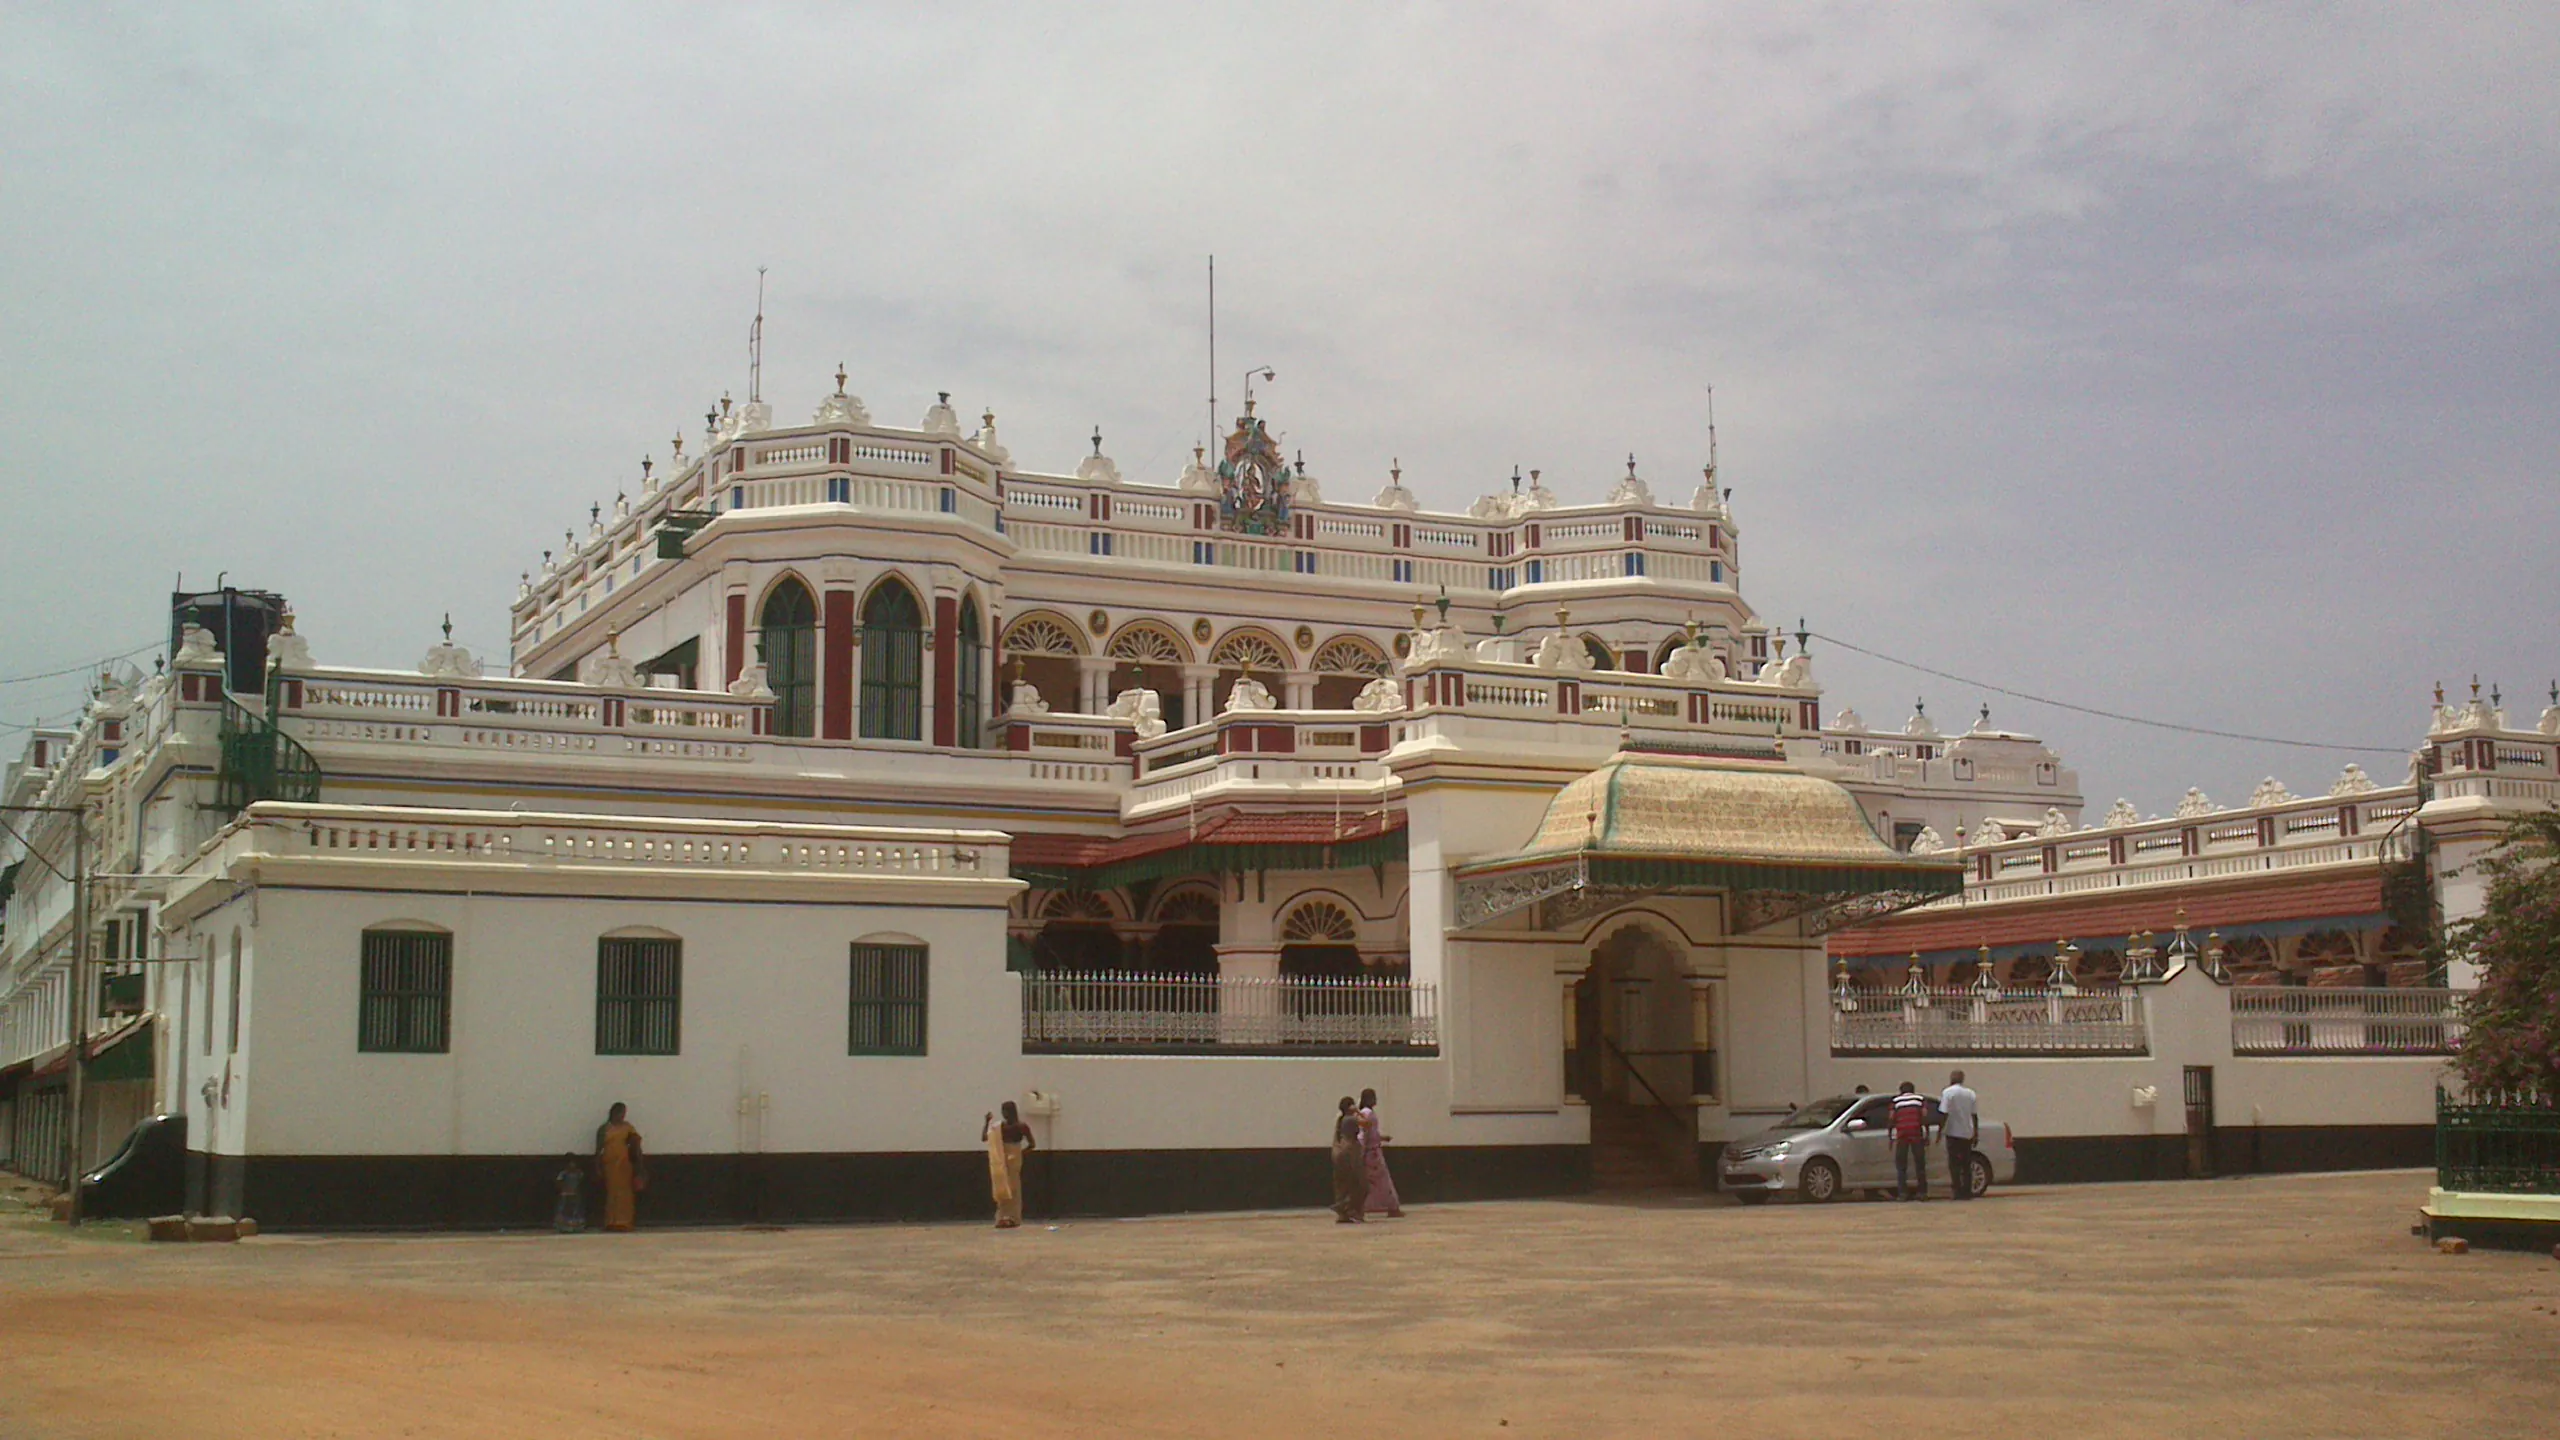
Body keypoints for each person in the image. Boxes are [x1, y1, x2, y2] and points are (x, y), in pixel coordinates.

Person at [984, 1101, 1036, 1228]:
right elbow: (985, 1138)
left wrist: (1019, 1153)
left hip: (1015, 1157)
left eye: (1006, 1111)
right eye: (1003, 1111)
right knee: (1001, 1186)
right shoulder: (999, 1127)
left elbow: (1032, 1144)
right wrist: (987, 1123)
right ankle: (1002, 1216)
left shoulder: (1021, 1126)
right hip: (1001, 1157)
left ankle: (1013, 1217)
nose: (1004, 1114)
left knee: (1013, 1186)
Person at [594, 1102, 645, 1232]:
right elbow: (599, 1149)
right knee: (612, 1194)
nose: (622, 1116)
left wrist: (639, 1165)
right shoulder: (604, 1129)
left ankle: (625, 1222)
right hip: (609, 1164)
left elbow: (636, 1145)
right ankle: (611, 1222)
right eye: (620, 1113)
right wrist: (597, 1166)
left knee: (625, 1194)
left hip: (624, 1164)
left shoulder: (628, 1128)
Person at [1357, 1087, 1403, 1219]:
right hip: (1372, 1154)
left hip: (1370, 1151)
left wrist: (1381, 1138)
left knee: (1370, 1182)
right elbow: (1364, 1134)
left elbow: (1369, 1134)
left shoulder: (1366, 1112)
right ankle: (1392, 1207)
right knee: (1383, 1181)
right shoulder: (1368, 1113)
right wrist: (1362, 1151)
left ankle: (1366, 1207)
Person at [1941, 1069, 1981, 1201]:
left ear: (1951, 1078)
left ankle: (1957, 1190)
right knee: (1966, 1163)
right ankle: (1967, 1191)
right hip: (1966, 1132)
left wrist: (1941, 1130)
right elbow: (1974, 1116)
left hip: (1952, 1132)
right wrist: (1976, 1133)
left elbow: (1944, 1113)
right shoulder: (1970, 1094)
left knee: (1954, 1164)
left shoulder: (1947, 1092)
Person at [1889, 1081, 1931, 1201]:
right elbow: (1924, 1117)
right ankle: (1922, 1192)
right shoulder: (1920, 1100)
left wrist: (1890, 1137)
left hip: (1902, 1135)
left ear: (1901, 1090)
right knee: (1920, 1165)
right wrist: (1926, 1135)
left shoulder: (1895, 1101)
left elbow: (1891, 1118)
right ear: (1913, 1090)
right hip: (1916, 1134)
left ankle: (1903, 1193)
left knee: (1901, 1166)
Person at [1329, 1096, 1366, 1223]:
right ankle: (1353, 1211)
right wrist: (1359, 1112)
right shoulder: (1351, 1119)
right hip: (1349, 1154)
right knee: (1359, 1184)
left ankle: (1343, 1213)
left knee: (1343, 1184)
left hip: (1339, 1154)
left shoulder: (1341, 1119)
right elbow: (1367, 1124)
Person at [552, 1151, 586, 1233]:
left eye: (574, 1162)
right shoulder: (564, 1173)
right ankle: (563, 1226)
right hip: (565, 1194)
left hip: (575, 1194)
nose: (572, 1165)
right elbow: (559, 1182)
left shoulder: (578, 1173)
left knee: (575, 1209)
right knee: (564, 1209)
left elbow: (581, 1182)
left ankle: (576, 1226)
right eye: (570, 1162)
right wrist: (563, 1189)